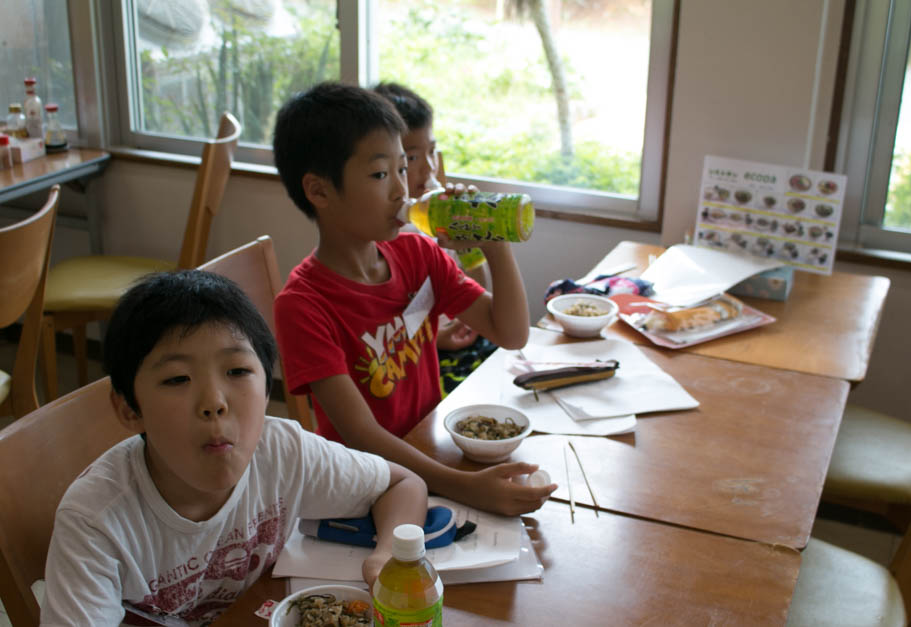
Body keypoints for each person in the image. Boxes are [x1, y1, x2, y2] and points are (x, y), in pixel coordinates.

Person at [40, 271, 427, 626]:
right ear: (129, 409)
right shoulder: (96, 521)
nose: (214, 402)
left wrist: (388, 558)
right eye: (177, 379)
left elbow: (401, 485)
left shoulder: (282, 452)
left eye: (238, 371)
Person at [272, 82, 556, 516]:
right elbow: (360, 434)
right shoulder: (303, 304)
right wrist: (465, 487)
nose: (401, 191)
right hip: (364, 485)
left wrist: (494, 241)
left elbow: (512, 332)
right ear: (319, 191)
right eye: (381, 174)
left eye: (403, 170)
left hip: (428, 450)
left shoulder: (418, 254)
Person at [372, 82, 500, 396]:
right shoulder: (382, 233)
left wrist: (469, 243)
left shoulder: (428, 218)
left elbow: (477, 286)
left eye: (432, 151)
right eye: (412, 158)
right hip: (413, 363)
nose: (429, 168)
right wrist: (436, 336)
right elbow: (387, 331)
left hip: (453, 335)